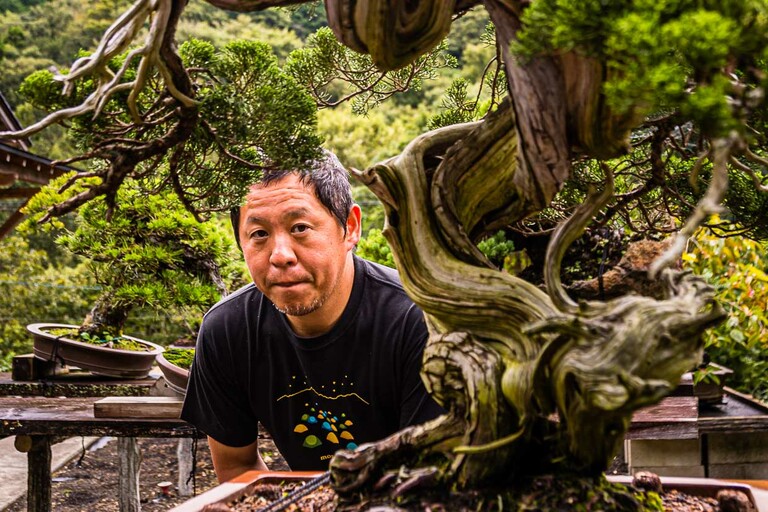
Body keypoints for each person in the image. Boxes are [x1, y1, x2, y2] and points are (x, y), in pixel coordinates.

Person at [181, 151, 445, 482]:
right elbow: (237, 467)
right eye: (259, 234)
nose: (280, 256)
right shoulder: (228, 330)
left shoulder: (419, 320)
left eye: (300, 228)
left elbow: (428, 478)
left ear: (350, 227)